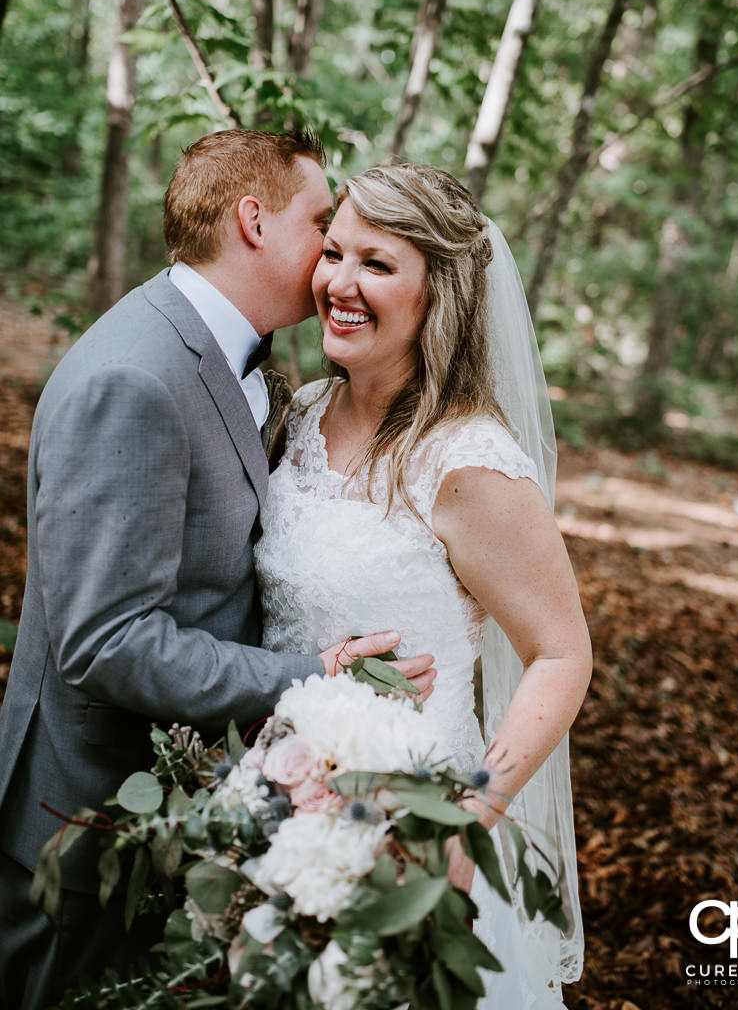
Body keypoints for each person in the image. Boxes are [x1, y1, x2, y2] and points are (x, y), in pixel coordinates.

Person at [0, 130, 435, 1010]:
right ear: (253, 220)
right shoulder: (136, 377)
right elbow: (108, 642)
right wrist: (312, 678)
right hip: (86, 831)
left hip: (179, 814)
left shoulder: (235, 359)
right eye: (321, 222)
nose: (330, 250)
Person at [254, 162, 593, 1007]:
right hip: (273, 811)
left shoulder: (464, 461)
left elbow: (559, 654)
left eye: (377, 263)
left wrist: (466, 816)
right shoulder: (298, 417)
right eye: (333, 252)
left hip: (415, 835)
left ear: (438, 291)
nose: (339, 282)